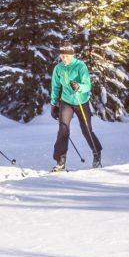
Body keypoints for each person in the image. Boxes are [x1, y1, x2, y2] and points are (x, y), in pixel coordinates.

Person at [49, 41, 103, 171]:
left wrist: (79, 87)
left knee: (86, 130)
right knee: (63, 129)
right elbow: (55, 87)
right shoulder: (58, 68)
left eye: (67, 55)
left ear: (72, 55)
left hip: (81, 101)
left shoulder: (80, 66)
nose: (64, 58)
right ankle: (60, 160)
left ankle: (97, 153)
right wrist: (53, 103)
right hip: (66, 102)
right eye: (62, 55)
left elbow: (87, 85)